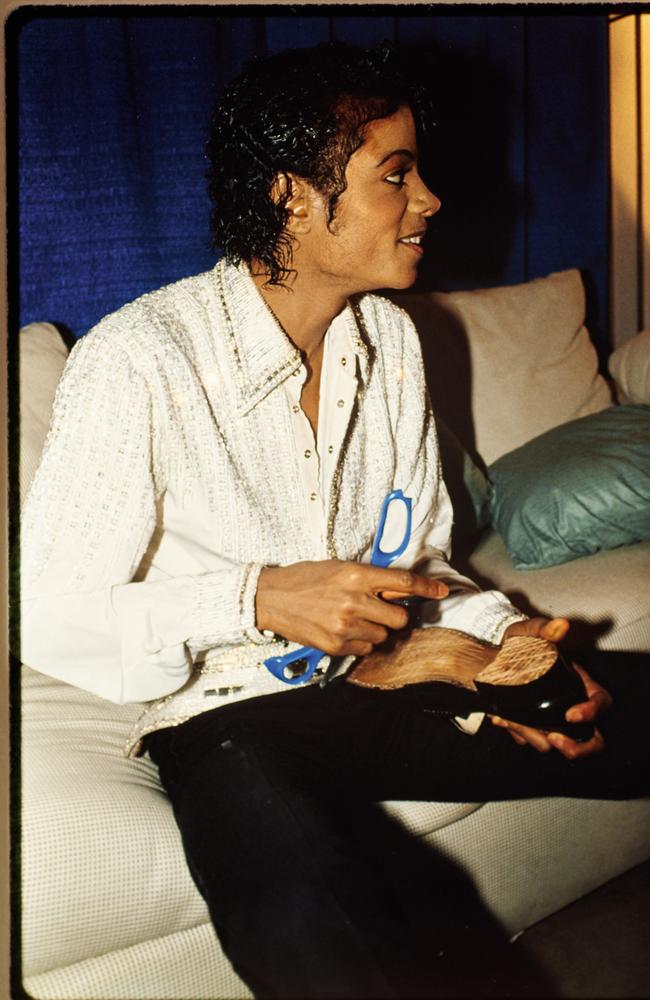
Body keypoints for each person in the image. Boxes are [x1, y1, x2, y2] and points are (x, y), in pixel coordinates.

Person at [20, 41, 647, 999]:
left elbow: (423, 560)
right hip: (232, 715)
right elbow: (50, 614)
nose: (430, 199)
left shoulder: (392, 339)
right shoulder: (139, 359)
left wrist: (505, 645)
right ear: (292, 197)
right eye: (396, 175)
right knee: (302, 894)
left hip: (398, 674)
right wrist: (257, 597)